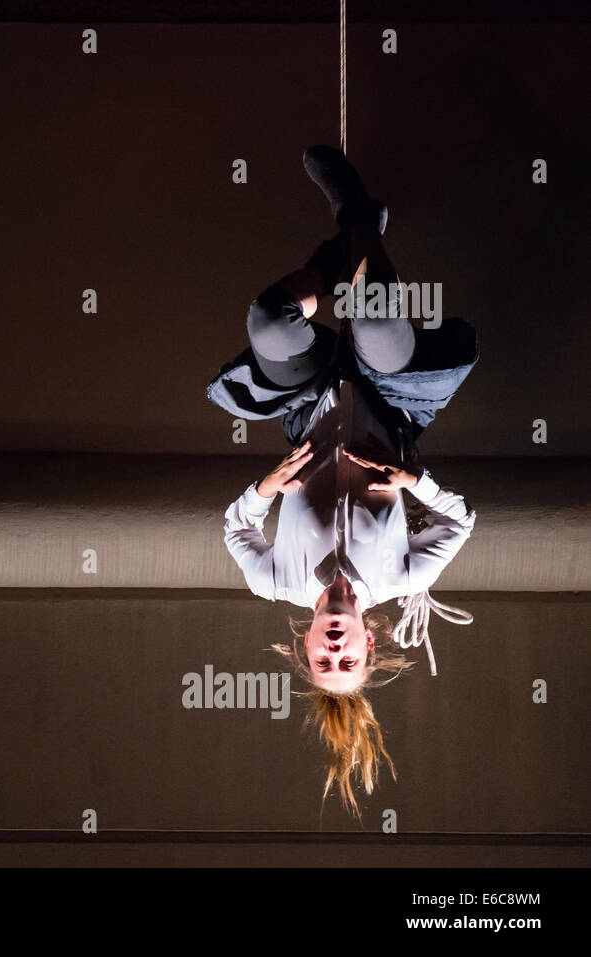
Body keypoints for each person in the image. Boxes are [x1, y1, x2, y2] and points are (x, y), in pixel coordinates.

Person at [206, 146, 480, 817]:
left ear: (307, 643)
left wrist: (267, 487)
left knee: (269, 319)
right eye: (347, 659)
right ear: (369, 640)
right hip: (389, 400)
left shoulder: (274, 581)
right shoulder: (400, 579)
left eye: (323, 663)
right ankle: (358, 223)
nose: (334, 653)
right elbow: (460, 520)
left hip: (306, 402)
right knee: (378, 312)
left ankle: (347, 234)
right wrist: (414, 478)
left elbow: (233, 526)